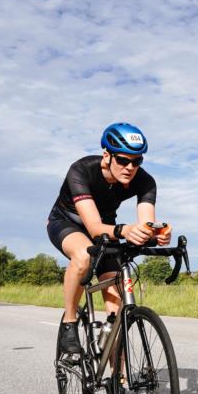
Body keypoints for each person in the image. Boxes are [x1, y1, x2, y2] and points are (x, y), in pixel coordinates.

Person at [47, 122, 171, 354]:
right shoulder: (81, 170)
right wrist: (125, 231)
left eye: (137, 161)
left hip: (108, 229)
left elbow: (145, 223)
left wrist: (156, 233)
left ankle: (120, 381)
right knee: (83, 256)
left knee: (117, 316)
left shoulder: (145, 181)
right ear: (107, 155)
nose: (130, 167)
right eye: (123, 160)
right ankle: (69, 322)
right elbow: (93, 227)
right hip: (66, 222)